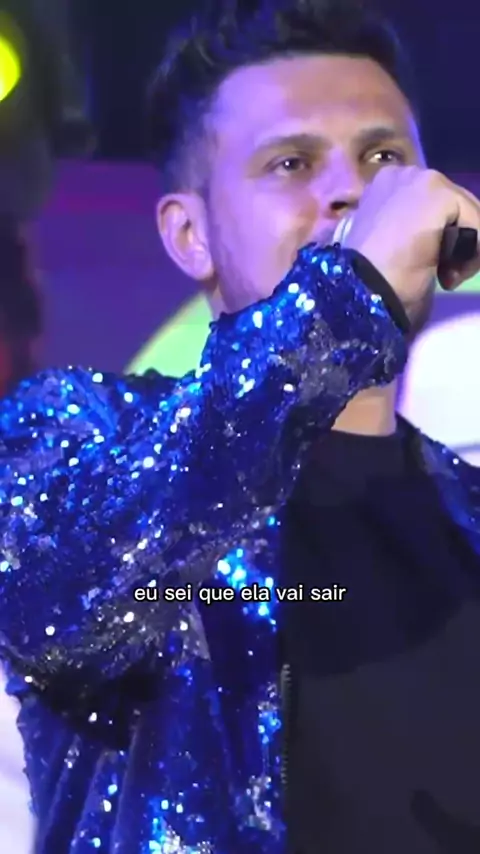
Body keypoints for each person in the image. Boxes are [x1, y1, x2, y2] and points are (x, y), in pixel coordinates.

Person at [1, 0, 480, 852]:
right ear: (190, 235)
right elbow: (62, 601)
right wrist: (350, 294)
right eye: (291, 162)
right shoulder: (86, 436)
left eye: (385, 158)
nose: (353, 190)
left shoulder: (467, 512)